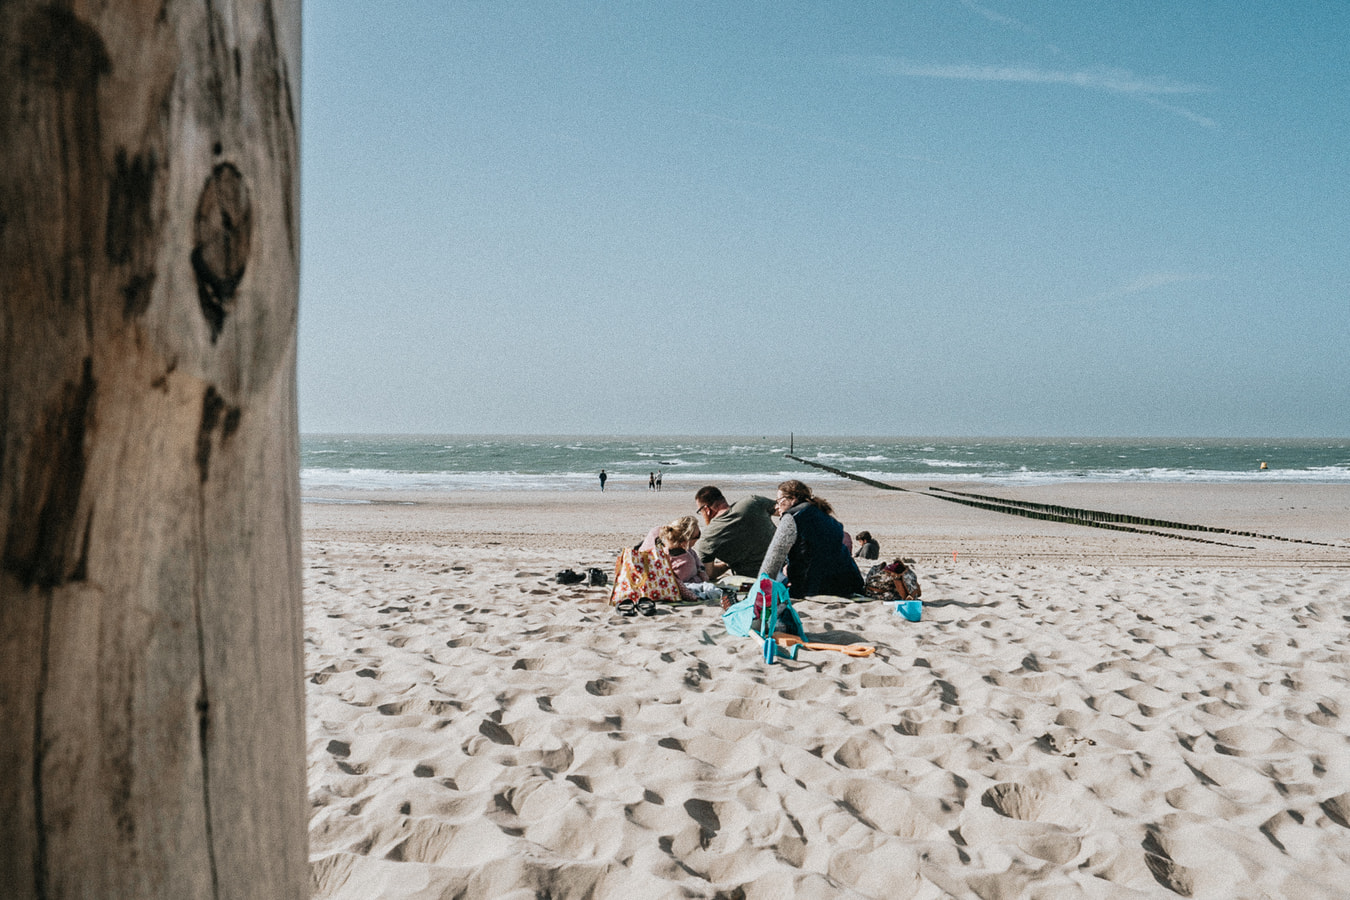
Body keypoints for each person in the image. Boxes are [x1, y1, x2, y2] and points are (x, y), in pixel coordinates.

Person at [759, 479, 864, 599]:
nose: (777, 506)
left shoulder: (792, 517)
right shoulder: (822, 513)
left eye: (779, 500)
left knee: (778, 577)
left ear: (793, 498)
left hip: (814, 586)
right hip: (847, 581)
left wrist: (760, 588)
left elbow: (774, 557)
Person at [692, 485, 777, 580]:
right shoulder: (751, 502)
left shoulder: (707, 538)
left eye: (700, 511)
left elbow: (709, 574)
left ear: (707, 509)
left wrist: (726, 564)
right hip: (784, 567)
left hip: (753, 580)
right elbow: (781, 509)